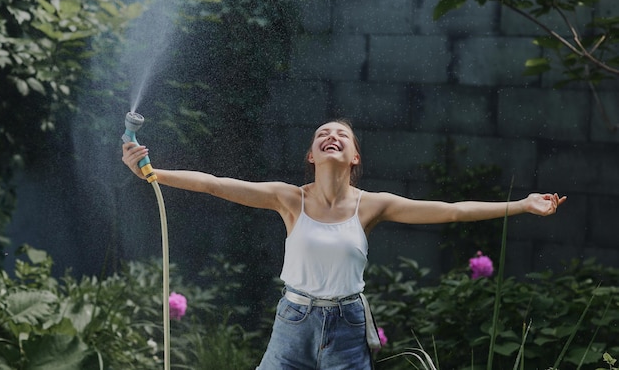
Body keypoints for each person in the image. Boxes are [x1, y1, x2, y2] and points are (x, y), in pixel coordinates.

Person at [121, 119, 566, 370]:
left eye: (342, 135)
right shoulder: (289, 198)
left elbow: (451, 210)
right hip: (293, 324)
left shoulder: (372, 205)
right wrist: (151, 172)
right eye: (321, 135)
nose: (331, 136)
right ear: (311, 156)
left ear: (354, 157)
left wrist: (522, 205)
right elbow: (216, 184)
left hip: (348, 327)